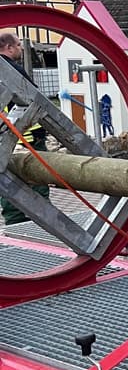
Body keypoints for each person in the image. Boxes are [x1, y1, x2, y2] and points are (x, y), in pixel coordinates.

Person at [0, 31, 50, 225]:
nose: (21, 48)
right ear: (9, 47)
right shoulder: (13, 71)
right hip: (27, 137)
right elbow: (36, 100)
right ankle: (44, 226)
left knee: (9, 186)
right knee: (38, 182)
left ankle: (16, 226)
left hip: (6, 138)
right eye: (19, 45)